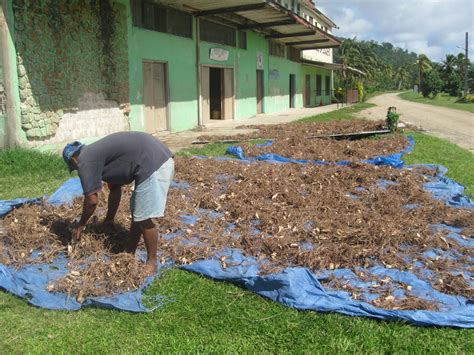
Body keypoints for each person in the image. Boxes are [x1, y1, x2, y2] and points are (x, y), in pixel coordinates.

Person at [62, 131, 174, 274]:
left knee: (143, 216)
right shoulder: (97, 155)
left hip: (154, 163)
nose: (77, 170)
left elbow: (92, 201)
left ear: (73, 160)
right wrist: (109, 220)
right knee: (137, 212)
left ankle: (152, 263)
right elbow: (115, 189)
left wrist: (81, 224)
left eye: (74, 168)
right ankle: (129, 252)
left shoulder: (85, 160)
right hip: (154, 157)